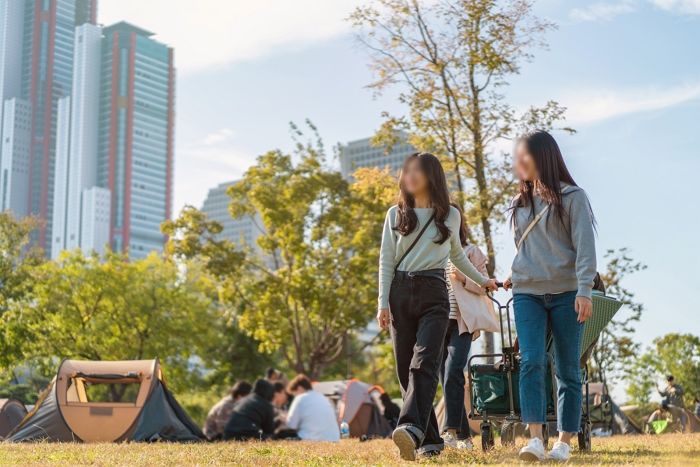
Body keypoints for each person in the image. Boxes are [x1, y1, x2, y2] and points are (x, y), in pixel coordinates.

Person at [377, 152, 497, 460]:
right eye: (407, 172)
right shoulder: (396, 214)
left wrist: (484, 281)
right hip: (399, 292)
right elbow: (386, 262)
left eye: (417, 171)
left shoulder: (450, 216)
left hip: (434, 292)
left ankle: (408, 427)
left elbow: (456, 255)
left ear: (432, 175)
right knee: (406, 370)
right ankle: (430, 440)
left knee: (425, 362)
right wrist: (382, 304)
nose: (410, 176)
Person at [503, 130, 596, 462]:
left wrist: (584, 291)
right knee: (531, 361)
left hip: (567, 293)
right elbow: (526, 248)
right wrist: (514, 273)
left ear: (542, 156)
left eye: (523, 155)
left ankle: (564, 442)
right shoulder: (518, 204)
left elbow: (585, 249)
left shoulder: (573, 197)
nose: (518, 162)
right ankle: (535, 440)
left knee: (567, 368)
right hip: (528, 292)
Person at [439, 203, 489, 450]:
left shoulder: (471, 252)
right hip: (436, 323)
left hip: (462, 323)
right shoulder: (434, 251)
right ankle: (464, 438)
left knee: (453, 372)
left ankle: (449, 431)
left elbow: (483, 286)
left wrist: (462, 278)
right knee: (444, 377)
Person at [286, 374, 340, 442]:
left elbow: (291, 425)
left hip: (311, 439)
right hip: (334, 439)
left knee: (282, 436)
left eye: (294, 394)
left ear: (299, 388)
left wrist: (283, 418)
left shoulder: (300, 398)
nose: (294, 396)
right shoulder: (323, 397)